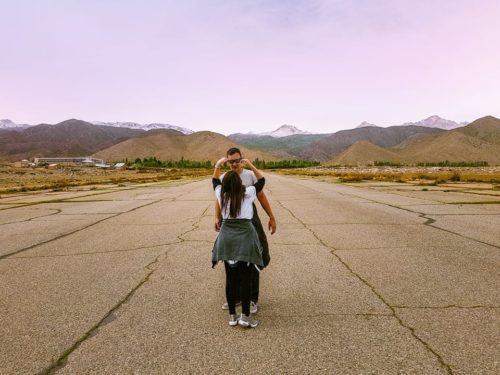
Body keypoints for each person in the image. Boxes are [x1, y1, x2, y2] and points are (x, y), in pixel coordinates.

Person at [215, 148, 276, 314]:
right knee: (232, 258)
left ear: (242, 159)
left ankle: (252, 299)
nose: (234, 164)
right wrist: (217, 217)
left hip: (250, 219)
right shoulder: (224, 178)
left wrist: (271, 216)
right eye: (231, 161)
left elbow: (261, 196)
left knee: (254, 257)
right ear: (227, 162)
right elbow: (218, 199)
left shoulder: (249, 175)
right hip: (230, 221)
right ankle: (234, 298)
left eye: (237, 160)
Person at [212, 157, 265, 327]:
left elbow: (214, 180)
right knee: (246, 277)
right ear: (238, 183)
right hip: (245, 238)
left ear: (225, 184)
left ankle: (232, 317)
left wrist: (218, 165)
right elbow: (262, 180)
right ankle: (246, 317)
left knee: (230, 278)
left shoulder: (221, 195)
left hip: (227, 238)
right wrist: (249, 165)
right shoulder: (248, 193)